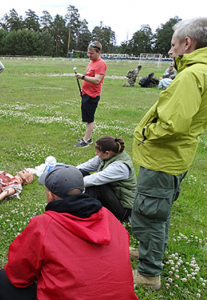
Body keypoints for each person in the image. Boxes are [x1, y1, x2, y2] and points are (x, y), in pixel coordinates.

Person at [131, 17, 207, 290]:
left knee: (149, 212)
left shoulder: (191, 74)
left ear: (188, 43)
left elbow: (172, 123)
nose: (170, 51)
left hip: (164, 157)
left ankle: (149, 273)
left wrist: (146, 134)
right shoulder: (200, 70)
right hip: (175, 156)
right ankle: (148, 252)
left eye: (173, 44)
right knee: (158, 212)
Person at [0, 165, 138, 300]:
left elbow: (18, 275)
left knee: (2, 280)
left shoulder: (44, 224)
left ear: (50, 195)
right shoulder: (109, 216)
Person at [76, 136, 136, 222]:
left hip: (124, 208)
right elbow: (86, 166)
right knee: (81, 172)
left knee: (96, 186)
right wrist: (69, 172)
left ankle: (83, 216)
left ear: (107, 153)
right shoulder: (109, 155)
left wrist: (71, 182)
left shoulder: (120, 167)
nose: (96, 154)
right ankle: (77, 208)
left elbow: (95, 179)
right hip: (113, 196)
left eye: (98, 152)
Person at [74, 41, 107, 148]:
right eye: (88, 53)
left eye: (91, 53)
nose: (89, 55)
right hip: (86, 94)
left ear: (98, 52)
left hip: (93, 95)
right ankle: (86, 137)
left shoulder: (100, 64)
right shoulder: (91, 62)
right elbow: (89, 77)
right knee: (86, 117)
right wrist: (83, 91)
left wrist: (82, 77)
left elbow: (97, 80)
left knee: (89, 119)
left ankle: (86, 140)